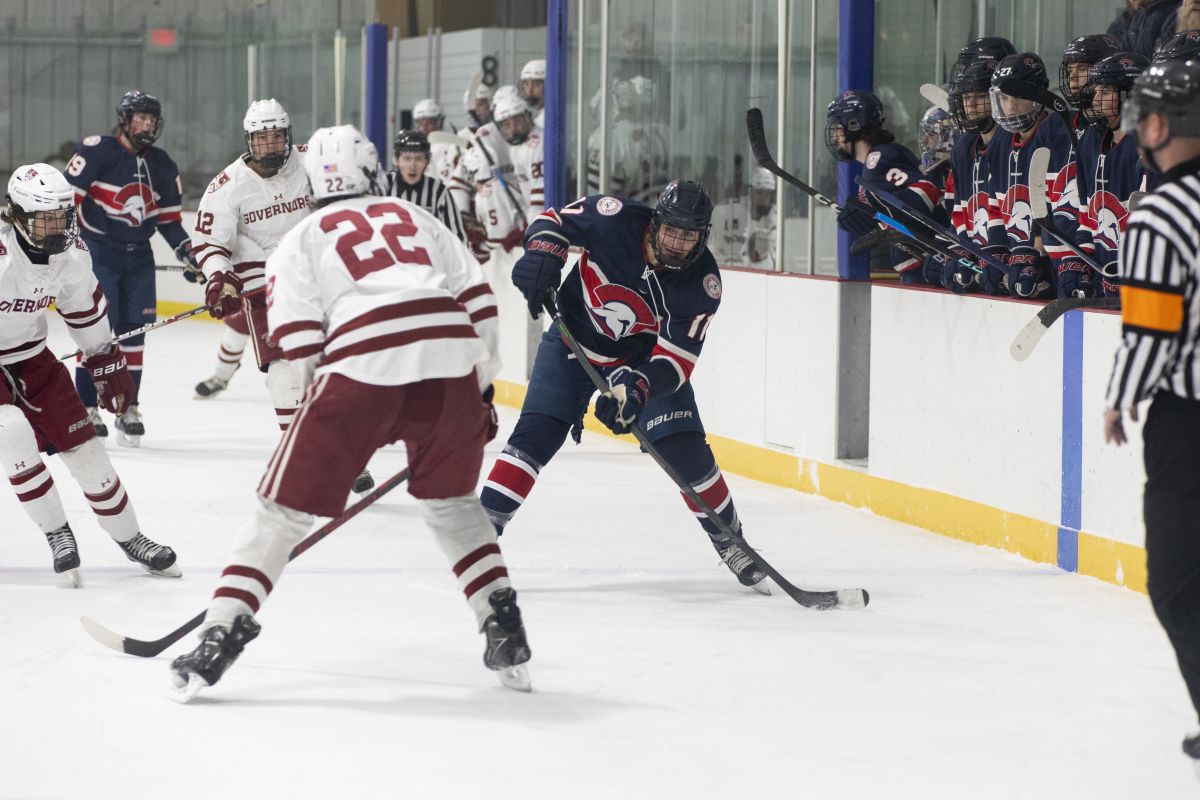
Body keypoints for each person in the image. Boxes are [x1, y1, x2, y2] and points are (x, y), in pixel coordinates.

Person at [167, 124, 528, 702]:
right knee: (454, 506)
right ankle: (503, 625)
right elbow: (478, 300)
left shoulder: (300, 238)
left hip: (363, 364)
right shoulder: (418, 218)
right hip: (451, 364)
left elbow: (300, 341)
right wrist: (480, 391)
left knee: (278, 515)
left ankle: (220, 633)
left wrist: (327, 418)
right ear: (373, 170)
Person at [478, 181, 771, 594]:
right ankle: (481, 535)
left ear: (702, 237)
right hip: (572, 341)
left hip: (639, 363)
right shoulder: (613, 219)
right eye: (672, 230)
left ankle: (729, 538)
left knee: (684, 452)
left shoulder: (702, 284)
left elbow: (676, 361)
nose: (677, 243)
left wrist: (638, 387)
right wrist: (543, 251)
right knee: (534, 436)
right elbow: (555, 220)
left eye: (689, 236)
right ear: (656, 223)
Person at [0, 163, 180, 584]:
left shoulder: (71, 255)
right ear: (18, 216)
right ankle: (58, 533)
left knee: (86, 450)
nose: (56, 228)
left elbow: (85, 313)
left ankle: (131, 537)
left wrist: (103, 359)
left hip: (32, 359)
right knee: (11, 434)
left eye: (62, 217)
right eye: (45, 219)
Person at [1102, 57, 1200, 776]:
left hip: (1189, 425)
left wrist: (1120, 394)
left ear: (1160, 125)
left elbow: (1151, 330)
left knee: (1176, 582)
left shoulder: (1160, 213)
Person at [65, 90, 192, 446]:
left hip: (139, 260)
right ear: (125, 119)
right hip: (98, 255)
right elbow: (64, 203)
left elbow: (169, 222)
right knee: (96, 334)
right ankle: (88, 407)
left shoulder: (163, 165)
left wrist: (188, 251)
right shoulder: (97, 152)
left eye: (152, 119)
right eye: (140, 118)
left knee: (134, 337)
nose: (147, 125)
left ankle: (128, 408)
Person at [827, 89, 945, 284]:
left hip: (931, 264)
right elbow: (895, 217)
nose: (835, 137)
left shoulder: (880, 158)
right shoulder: (875, 163)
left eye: (838, 129)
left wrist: (876, 208)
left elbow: (926, 190)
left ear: (854, 125)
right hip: (918, 266)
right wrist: (870, 219)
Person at [985, 53, 1077, 299]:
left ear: (1039, 95)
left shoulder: (1059, 134)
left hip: (1056, 260)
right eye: (1004, 98)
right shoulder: (998, 144)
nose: (1010, 106)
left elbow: (1056, 201)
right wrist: (997, 251)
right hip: (1015, 265)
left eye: (1019, 98)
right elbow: (994, 204)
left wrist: (1037, 253)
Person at [1072, 52, 1152, 297]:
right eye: (1096, 92)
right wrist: (1080, 266)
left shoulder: (1150, 145)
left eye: (1105, 93)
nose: (1096, 100)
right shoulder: (1089, 141)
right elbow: (1085, 214)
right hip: (1103, 280)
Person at [385, 129, 469, 244]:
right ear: (396, 160)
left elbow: (458, 240)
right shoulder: (383, 186)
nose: (412, 166)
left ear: (427, 161)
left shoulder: (439, 191)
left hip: (429, 259)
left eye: (418, 158)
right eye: (406, 158)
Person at [493, 93, 545, 220]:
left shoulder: (537, 145)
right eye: (507, 125)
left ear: (528, 117)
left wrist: (533, 227)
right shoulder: (518, 146)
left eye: (518, 122)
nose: (513, 130)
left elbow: (541, 197)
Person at [1059, 34, 1122, 135]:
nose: (1072, 77)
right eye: (1069, 71)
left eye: (1082, 69)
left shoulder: (1121, 130)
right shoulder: (1056, 124)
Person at [519, 59, 546, 128]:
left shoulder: (545, 119)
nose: (529, 91)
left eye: (536, 84)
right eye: (526, 84)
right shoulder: (540, 116)